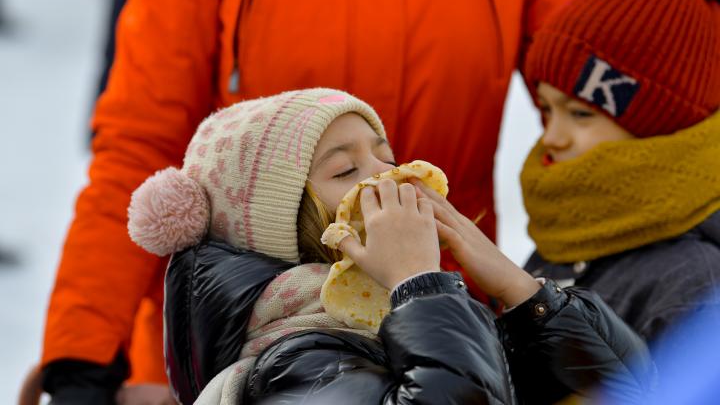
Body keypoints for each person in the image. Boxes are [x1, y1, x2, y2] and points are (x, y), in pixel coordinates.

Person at [38, 0, 602, 402]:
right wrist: (83, 361)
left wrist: (584, 290)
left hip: (453, 325)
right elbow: (141, 149)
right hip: (243, 340)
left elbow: (599, 112)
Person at [127, 88, 655, 404]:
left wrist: (522, 293)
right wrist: (421, 286)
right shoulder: (293, 366)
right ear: (277, 227)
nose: (390, 177)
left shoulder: (410, 322)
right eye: (346, 169)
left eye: (386, 155)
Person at [518, 0, 720, 353]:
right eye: (546, 108)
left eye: (580, 114)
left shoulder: (694, 285)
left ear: (661, 127)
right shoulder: (569, 231)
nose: (552, 137)